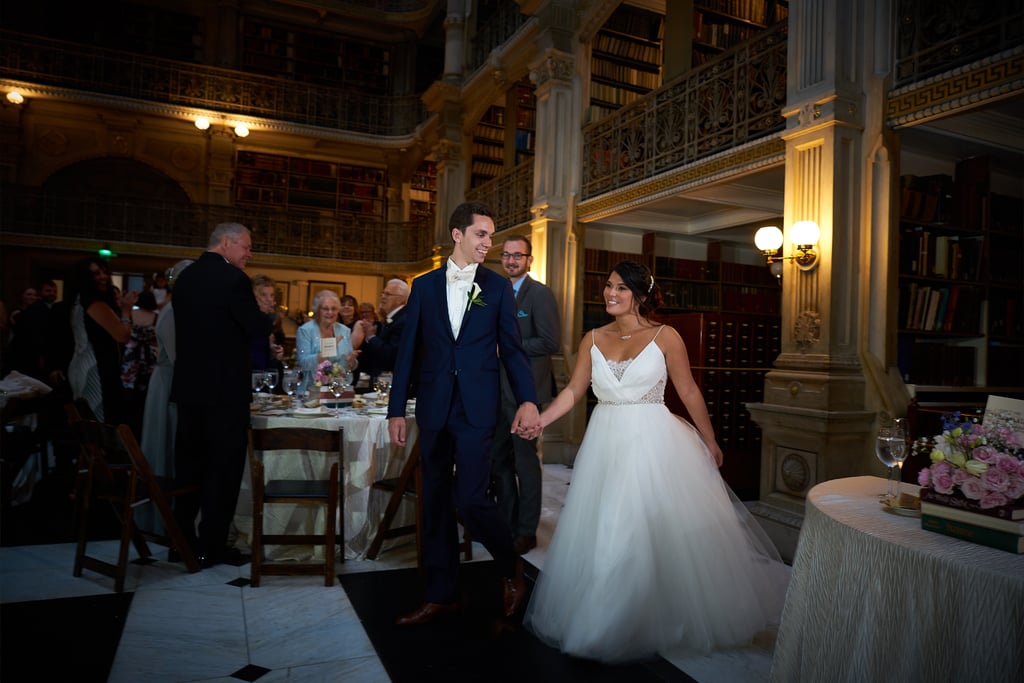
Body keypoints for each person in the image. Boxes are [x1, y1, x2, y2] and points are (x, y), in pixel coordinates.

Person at [523, 260, 790, 663]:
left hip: (654, 441)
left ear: (641, 295)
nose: (610, 294)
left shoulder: (667, 337)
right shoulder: (591, 337)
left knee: (647, 528)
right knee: (608, 527)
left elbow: (689, 391)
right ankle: (603, 619)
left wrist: (710, 438)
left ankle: (648, 614)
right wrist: (541, 420)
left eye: (620, 288)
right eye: (608, 286)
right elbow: (575, 391)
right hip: (606, 443)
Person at [387, 201, 541, 626]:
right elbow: (408, 353)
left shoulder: (495, 288)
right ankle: (442, 594)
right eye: (481, 235)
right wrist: (395, 409)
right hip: (435, 406)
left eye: (490, 236)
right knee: (434, 501)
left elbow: (512, 348)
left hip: (476, 407)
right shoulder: (425, 286)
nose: (488, 244)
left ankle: (511, 566)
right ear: (458, 235)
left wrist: (528, 399)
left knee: (471, 498)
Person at [171, 223, 274, 567]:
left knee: (189, 468)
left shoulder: (185, 278)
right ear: (227, 243)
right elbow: (254, 327)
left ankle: (180, 542)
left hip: (189, 390)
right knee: (223, 471)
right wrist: (269, 318)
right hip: (225, 393)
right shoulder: (233, 281)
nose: (249, 254)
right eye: (246, 247)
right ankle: (211, 547)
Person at [488, 236, 560, 555]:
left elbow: (549, 342)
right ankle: (506, 522)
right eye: (506, 255)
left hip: (525, 393)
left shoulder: (540, 295)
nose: (511, 260)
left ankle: (527, 531)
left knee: (526, 462)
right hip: (495, 391)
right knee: (499, 460)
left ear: (529, 260)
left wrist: (507, 348)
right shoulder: (494, 292)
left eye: (518, 255)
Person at [67, 256, 138, 424]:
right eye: (96, 274)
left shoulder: (78, 300)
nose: (103, 277)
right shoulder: (94, 303)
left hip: (82, 364)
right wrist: (127, 311)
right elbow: (122, 335)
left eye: (104, 272)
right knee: (100, 423)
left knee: (88, 421)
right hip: (95, 368)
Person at [140, 259, 193, 480]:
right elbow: (177, 357)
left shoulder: (181, 308)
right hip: (169, 381)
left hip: (174, 378)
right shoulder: (173, 311)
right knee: (165, 439)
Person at [295, 289, 362, 394]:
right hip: (310, 391)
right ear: (317, 310)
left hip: (338, 391)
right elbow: (303, 363)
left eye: (334, 309)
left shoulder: (344, 331)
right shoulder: (305, 331)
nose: (330, 312)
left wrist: (351, 361)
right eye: (325, 309)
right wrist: (325, 352)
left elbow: (348, 367)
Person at [120, 288, 160, 437]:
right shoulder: (157, 317)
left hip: (131, 356)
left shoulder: (131, 315)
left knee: (129, 393)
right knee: (146, 394)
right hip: (149, 357)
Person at [356, 278, 408, 387]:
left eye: (388, 294)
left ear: (401, 299)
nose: (383, 297)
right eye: (383, 293)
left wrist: (371, 336)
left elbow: (391, 355)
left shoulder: (403, 320)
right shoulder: (393, 318)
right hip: (381, 380)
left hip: (391, 381)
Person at [250, 275, 285, 380]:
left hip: (263, 378)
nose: (269, 300)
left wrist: (273, 353)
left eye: (272, 295)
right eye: (264, 295)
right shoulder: (247, 320)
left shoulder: (268, 321)